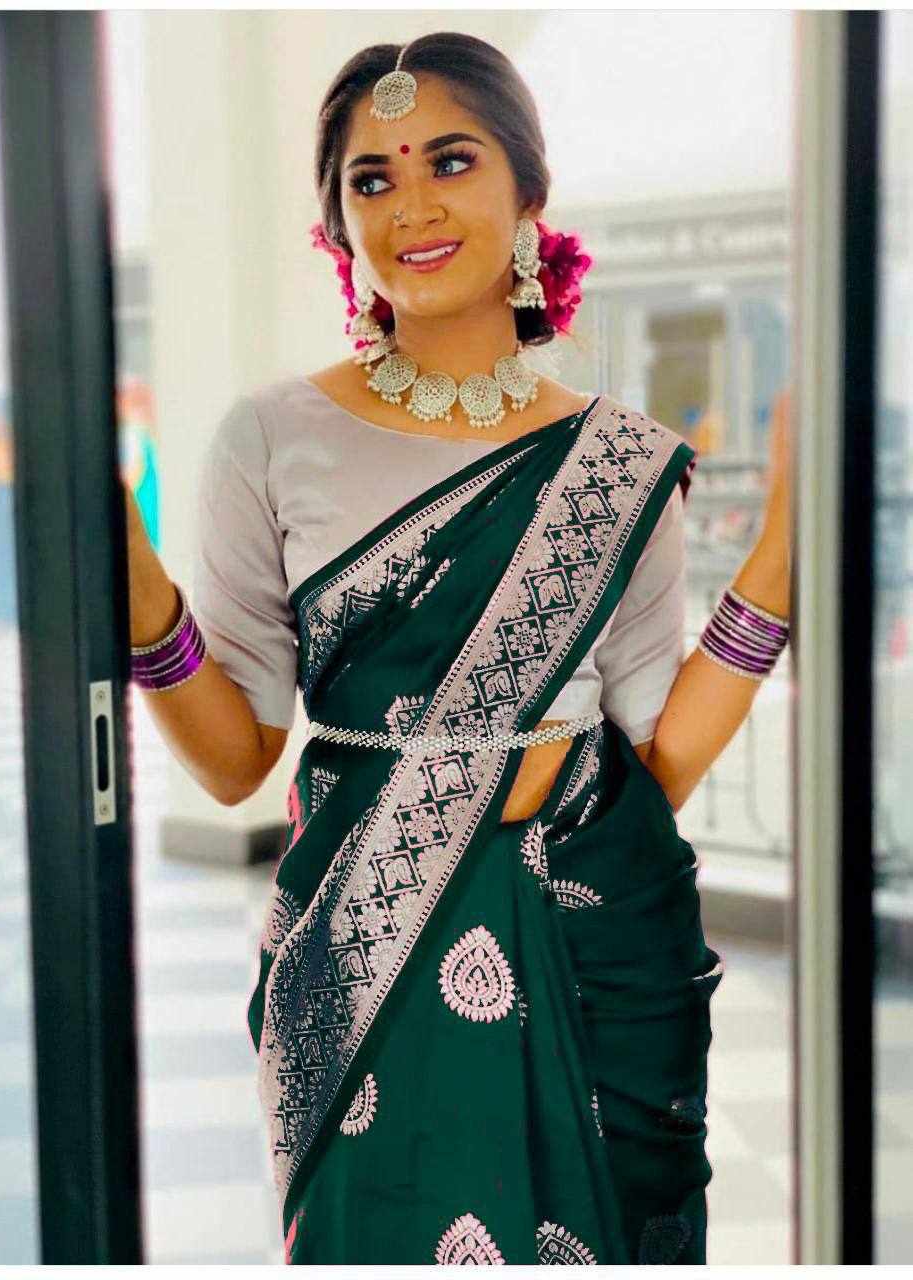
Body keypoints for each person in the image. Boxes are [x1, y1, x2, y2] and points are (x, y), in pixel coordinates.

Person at [123, 33, 792, 1265]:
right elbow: (232, 760)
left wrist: (781, 555)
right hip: (362, 954)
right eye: (370, 179)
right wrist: (137, 595)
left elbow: (659, 749)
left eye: (449, 160)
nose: (411, 205)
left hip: (597, 939)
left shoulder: (617, 459)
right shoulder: (269, 437)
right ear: (337, 222)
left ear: (528, 191)